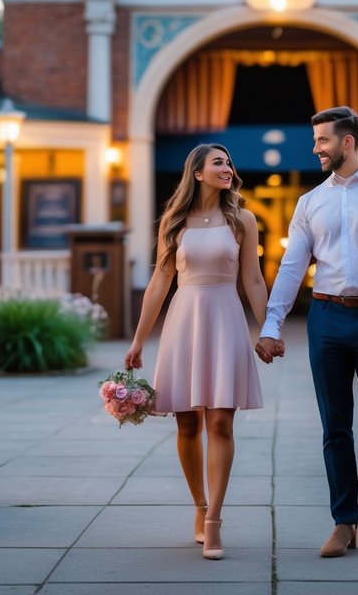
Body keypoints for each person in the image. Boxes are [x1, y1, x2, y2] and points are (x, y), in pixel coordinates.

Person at [255, 106, 358, 558]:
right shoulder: (310, 202)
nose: (316, 149)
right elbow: (292, 268)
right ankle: (343, 520)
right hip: (326, 319)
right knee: (334, 428)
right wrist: (272, 323)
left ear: (347, 142)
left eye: (323, 140)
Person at [124, 143, 270, 561]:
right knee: (187, 425)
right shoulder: (173, 221)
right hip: (184, 320)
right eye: (219, 162)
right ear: (199, 173)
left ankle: (214, 522)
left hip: (225, 319)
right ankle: (198, 505)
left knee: (221, 422)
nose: (228, 168)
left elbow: (254, 281)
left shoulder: (242, 219)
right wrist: (137, 341)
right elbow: (159, 283)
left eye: (229, 162)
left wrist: (269, 329)